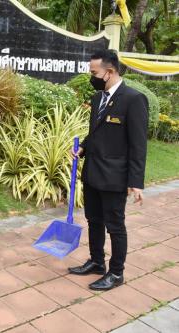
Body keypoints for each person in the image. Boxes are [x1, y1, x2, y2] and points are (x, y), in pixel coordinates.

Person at [68, 49, 148, 290]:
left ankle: (116, 273)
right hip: (92, 172)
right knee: (94, 220)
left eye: (94, 72)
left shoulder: (133, 99)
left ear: (109, 71)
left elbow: (138, 144)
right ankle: (96, 261)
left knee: (115, 226)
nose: (91, 76)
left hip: (115, 177)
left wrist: (136, 181)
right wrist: (82, 147)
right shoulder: (97, 99)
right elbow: (97, 133)